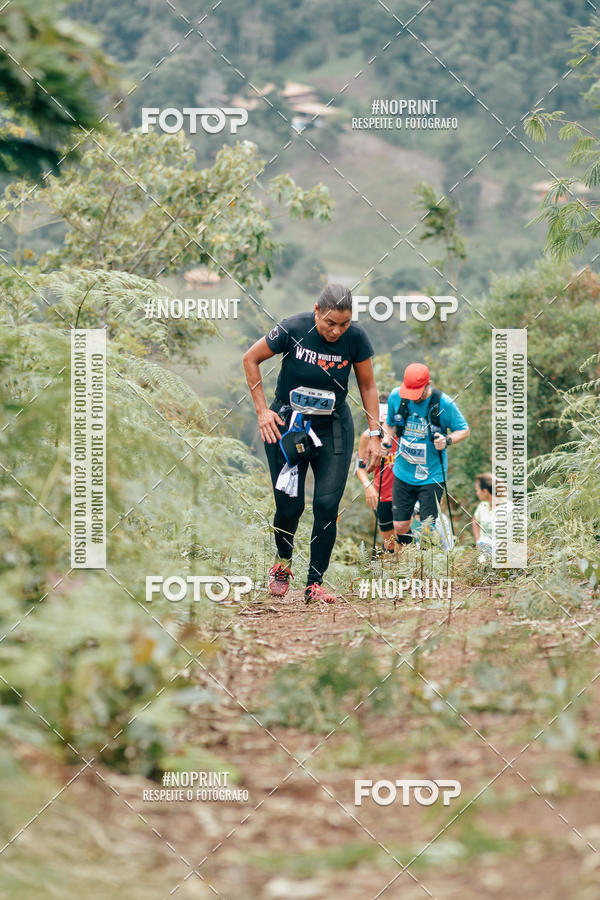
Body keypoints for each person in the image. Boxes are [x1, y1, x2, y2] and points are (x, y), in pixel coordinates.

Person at [243, 284, 383, 603]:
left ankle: (314, 584)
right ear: (317, 311)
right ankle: (282, 564)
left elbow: (368, 386)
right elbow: (250, 359)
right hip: (286, 425)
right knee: (289, 506)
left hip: (333, 426)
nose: (336, 331)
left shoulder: (356, 338)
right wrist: (262, 411)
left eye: (344, 324)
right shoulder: (292, 328)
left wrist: (375, 434)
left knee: (326, 505)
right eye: (330, 322)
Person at [383, 363, 470, 548]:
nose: (413, 397)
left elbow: (464, 430)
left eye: (417, 393)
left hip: (432, 474)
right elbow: (389, 424)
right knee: (400, 525)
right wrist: (386, 439)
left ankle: (425, 558)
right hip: (403, 471)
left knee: (427, 527)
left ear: (428, 385)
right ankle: (410, 556)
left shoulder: (443, 403)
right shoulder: (396, 396)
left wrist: (447, 440)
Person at [356, 393, 399, 553]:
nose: (383, 426)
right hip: (382, 495)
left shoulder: (402, 432)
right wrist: (368, 486)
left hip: (405, 493)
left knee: (408, 539)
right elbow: (360, 467)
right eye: (380, 422)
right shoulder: (367, 436)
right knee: (390, 545)